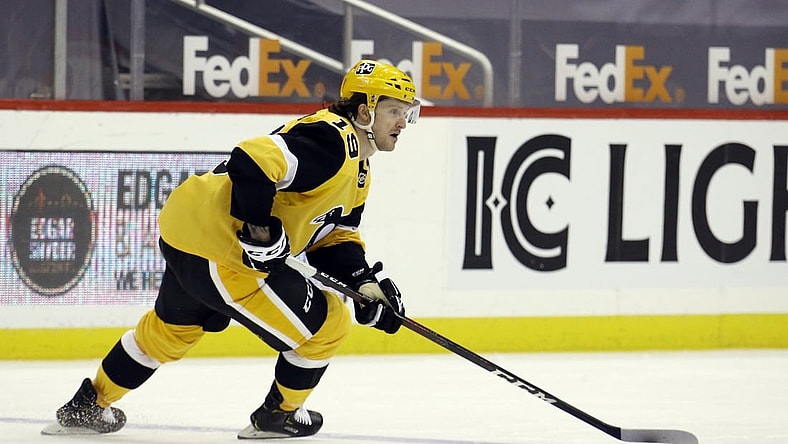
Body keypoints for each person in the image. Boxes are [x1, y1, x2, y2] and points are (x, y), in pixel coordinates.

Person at [43, 59, 419, 439]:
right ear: (363, 111)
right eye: (393, 111)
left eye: (407, 113)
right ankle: (278, 417)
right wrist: (259, 231)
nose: (402, 123)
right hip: (223, 248)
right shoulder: (333, 140)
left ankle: (86, 407)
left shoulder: (358, 169)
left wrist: (362, 282)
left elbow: (333, 239)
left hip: (189, 232)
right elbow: (251, 159)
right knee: (329, 324)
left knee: (171, 331)